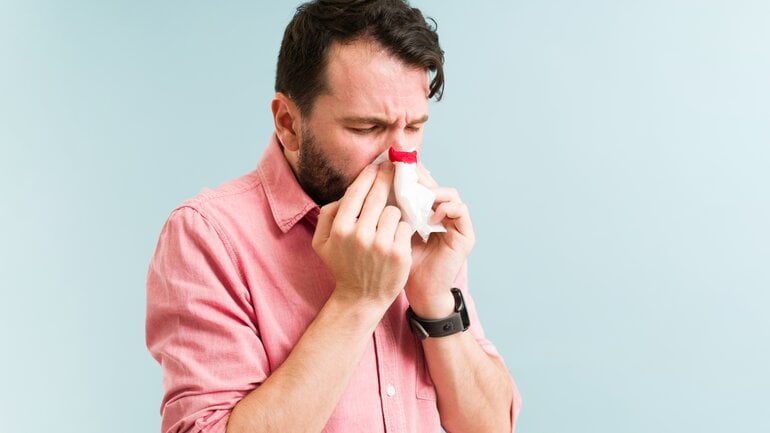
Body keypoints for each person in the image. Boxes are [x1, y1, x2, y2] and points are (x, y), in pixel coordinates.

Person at [145, 1, 521, 432]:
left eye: (414, 127)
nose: (401, 160)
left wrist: (435, 300)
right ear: (288, 122)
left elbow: (491, 426)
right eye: (366, 128)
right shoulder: (208, 236)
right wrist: (358, 299)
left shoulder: (422, 228)